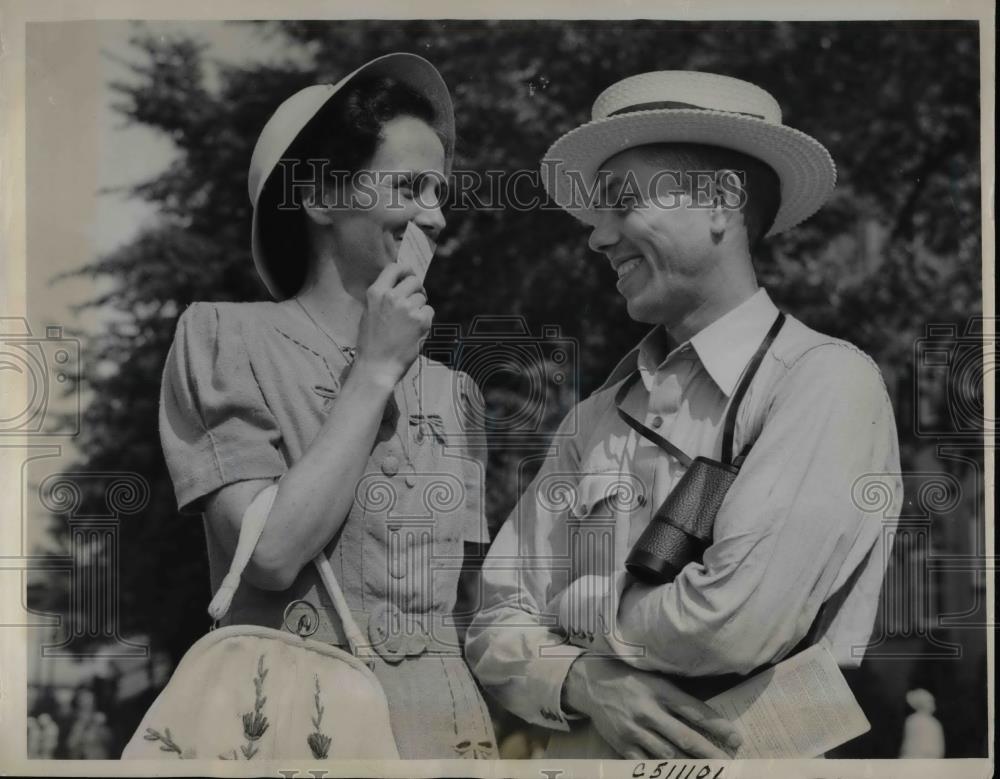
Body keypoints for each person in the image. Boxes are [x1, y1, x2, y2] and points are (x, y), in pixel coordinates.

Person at [466, 70, 903, 758]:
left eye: (623, 203)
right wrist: (586, 681)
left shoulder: (825, 381)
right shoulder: (595, 418)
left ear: (721, 201)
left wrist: (569, 617)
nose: (597, 237)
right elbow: (493, 622)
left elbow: (729, 622)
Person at [159, 53, 496, 759]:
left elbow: (463, 607)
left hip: (448, 738)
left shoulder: (453, 391)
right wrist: (374, 370)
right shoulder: (224, 340)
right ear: (318, 197)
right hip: (295, 732)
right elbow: (273, 554)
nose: (435, 216)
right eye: (409, 187)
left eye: (439, 191)